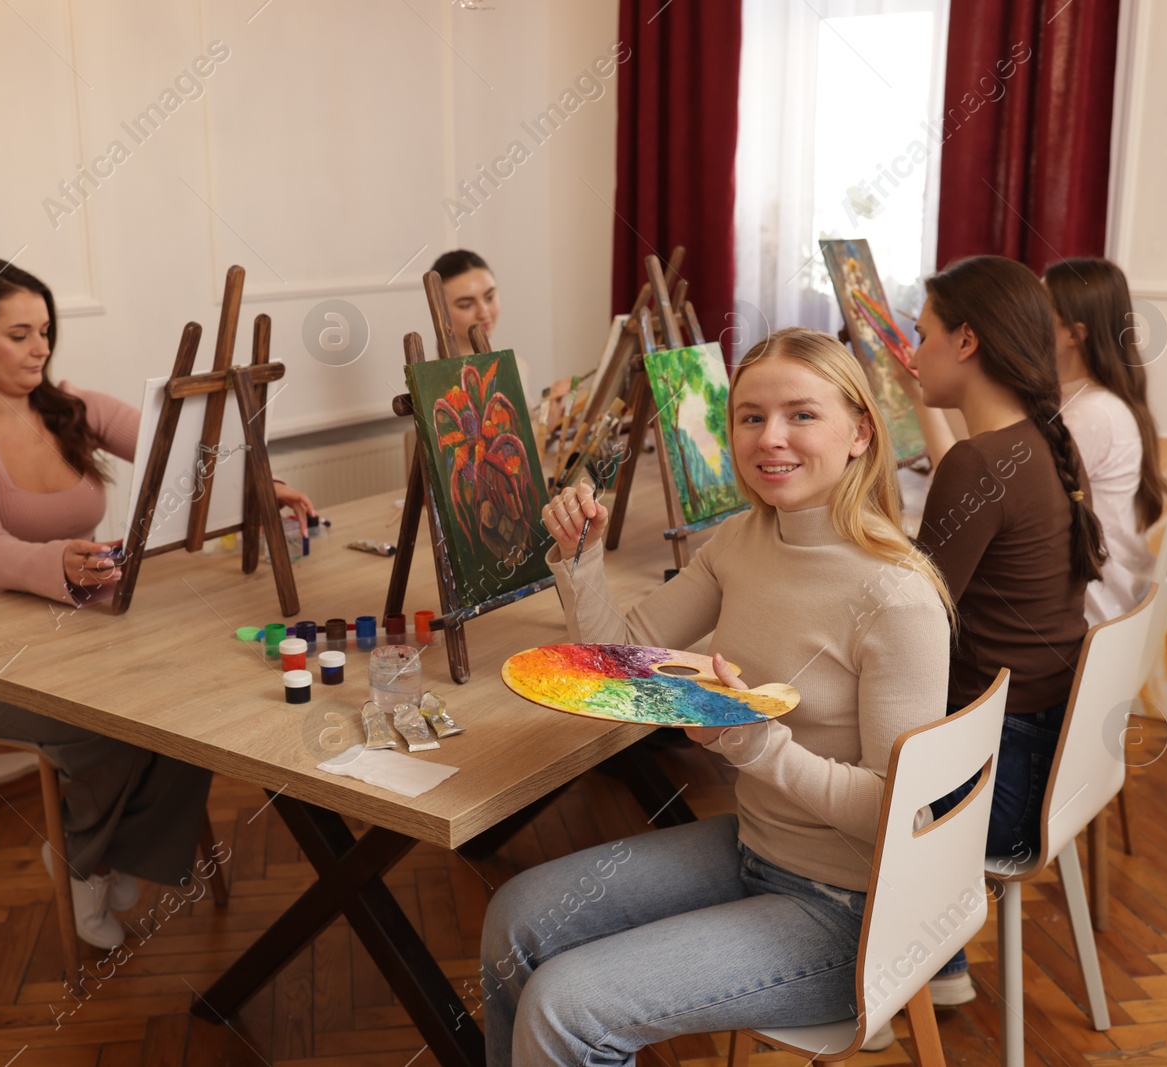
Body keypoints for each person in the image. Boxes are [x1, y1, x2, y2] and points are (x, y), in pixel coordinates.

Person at [478, 328, 955, 1065]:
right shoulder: (741, 539)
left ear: (861, 431)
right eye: (751, 416)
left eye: (801, 414)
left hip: (853, 914)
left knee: (566, 1005)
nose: (772, 438)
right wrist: (578, 561)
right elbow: (625, 661)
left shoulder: (899, 598)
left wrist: (760, 746)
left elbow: (900, 817)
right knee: (515, 917)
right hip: (756, 847)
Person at [0, 258, 314, 948]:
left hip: (76, 628)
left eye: (45, 331)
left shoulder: (71, 406)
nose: (40, 348)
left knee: (194, 700)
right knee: (107, 721)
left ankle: (112, 853)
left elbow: (187, 454)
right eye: (19, 334)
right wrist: (56, 561)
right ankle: (84, 861)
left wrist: (263, 485)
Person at [895, 255, 1106, 1005]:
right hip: (1046, 766)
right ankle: (940, 961)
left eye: (922, 335)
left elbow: (911, 622)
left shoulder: (978, 463)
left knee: (836, 767)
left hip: (997, 786)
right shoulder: (1036, 442)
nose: (911, 352)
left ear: (966, 342)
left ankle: (893, 982)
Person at [1045, 257, 1167, 625]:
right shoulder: (1091, 403)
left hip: (1090, 619)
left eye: (1039, 309)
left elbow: (1014, 509)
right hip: (1112, 610)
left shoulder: (1091, 415)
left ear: (1074, 334)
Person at [431, 249, 500, 343]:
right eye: (466, 305)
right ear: (439, 311)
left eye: (490, 297)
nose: (483, 314)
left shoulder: (515, 358)